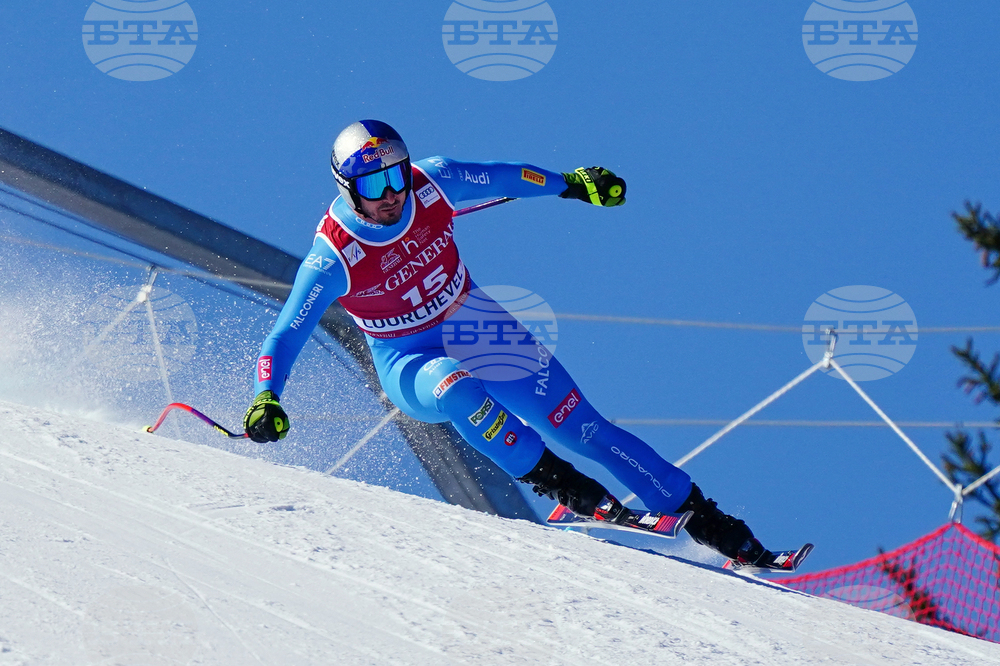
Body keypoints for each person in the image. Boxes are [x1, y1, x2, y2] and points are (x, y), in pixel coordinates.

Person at [244, 119, 774, 566]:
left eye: (396, 175)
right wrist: (267, 396)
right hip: (408, 358)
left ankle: (713, 524)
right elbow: (286, 332)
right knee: (455, 386)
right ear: (347, 189)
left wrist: (571, 184)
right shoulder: (333, 256)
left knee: (584, 426)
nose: (390, 195)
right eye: (373, 185)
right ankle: (562, 484)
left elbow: (507, 177)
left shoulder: (434, 182)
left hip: (473, 323)